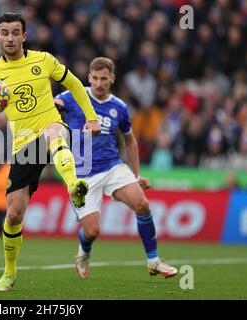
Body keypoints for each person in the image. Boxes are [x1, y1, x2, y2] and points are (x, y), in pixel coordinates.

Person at [0, 13, 101, 291]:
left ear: (24, 36)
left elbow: (74, 83)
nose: (11, 38)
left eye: (16, 32)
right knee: (14, 214)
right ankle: (9, 272)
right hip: (22, 146)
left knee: (54, 132)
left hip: (52, 126)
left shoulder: (44, 60)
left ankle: (74, 185)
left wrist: (91, 117)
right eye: (5, 33)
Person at [54, 57, 178, 279]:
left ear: (112, 78)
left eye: (104, 78)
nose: (99, 83)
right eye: (95, 78)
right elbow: (53, 107)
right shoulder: (73, 96)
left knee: (142, 204)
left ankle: (154, 261)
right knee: (92, 231)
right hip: (81, 175)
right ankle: (84, 250)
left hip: (112, 167)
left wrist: (136, 175)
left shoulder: (119, 107)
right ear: (89, 77)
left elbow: (130, 141)